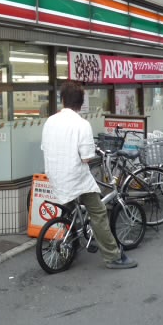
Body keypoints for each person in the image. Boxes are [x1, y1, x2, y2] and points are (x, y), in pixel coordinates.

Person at [41, 80, 137, 269]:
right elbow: (86, 157)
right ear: (81, 102)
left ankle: (71, 245)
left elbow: (45, 147)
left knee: (70, 210)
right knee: (98, 213)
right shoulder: (82, 124)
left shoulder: (50, 121)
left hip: (55, 176)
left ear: (62, 100)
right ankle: (113, 256)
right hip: (75, 178)